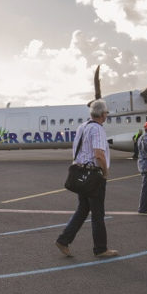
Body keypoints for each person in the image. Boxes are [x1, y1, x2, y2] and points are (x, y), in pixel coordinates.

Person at [55, 99, 118, 258]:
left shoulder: (82, 127)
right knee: (98, 214)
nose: (106, 116)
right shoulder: (98, 129)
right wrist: (105, 172)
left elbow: (77, 150)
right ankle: (100, 248)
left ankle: (64, 240)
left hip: (81, 174)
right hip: (93, 176)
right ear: (103, 114)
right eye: (106, 113)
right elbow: (99, 154)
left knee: (83, 209)